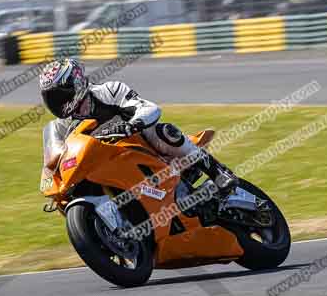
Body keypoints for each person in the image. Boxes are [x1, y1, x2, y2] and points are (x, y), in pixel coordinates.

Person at [38, 58, 237, 197]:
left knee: (164, 132)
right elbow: (54, 159)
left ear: (77, 83)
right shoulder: (60, 126)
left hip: (143, 148)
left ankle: (219, 173)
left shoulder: (108, 91)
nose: (57, 103)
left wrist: (131, 125)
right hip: (109, 166)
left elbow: (149, 108)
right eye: (51, 98)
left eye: (60, 95)